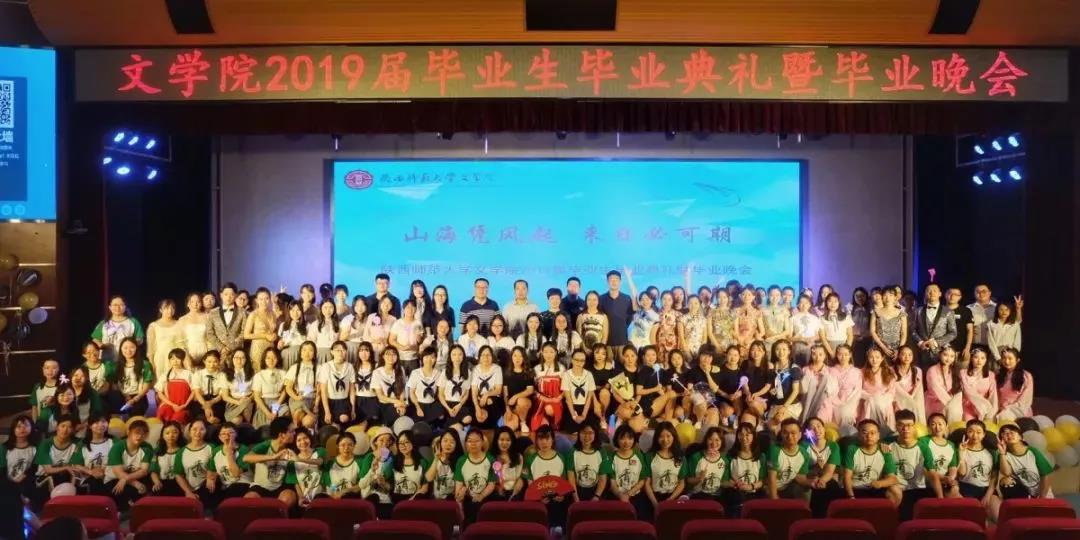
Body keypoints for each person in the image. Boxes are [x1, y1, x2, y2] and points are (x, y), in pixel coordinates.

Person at [888, 409, 936, 519]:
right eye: (901, 425)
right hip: (898, 489)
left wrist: (940, 497)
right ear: (896, 426)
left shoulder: (923, 447)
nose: (905, 429)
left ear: (914, 426)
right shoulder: (887, 444)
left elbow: (932, 473)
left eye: (909, 425)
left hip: (918, 488)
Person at [243, 417, 298, 508]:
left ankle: (278, 516)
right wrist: (273, 457)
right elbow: (246, 458)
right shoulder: (266, 445)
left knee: (289, 497)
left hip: (280, 486)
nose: (294, 433)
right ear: (282, 435)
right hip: (260, 486)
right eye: (291, 431)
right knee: (249, 499)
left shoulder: (292, 448)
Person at [842, 419, 898, 503]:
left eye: (873, 433)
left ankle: (890, 511)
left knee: (895, 490)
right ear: (858, 435)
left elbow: (893, 479)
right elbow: (847, 477)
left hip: (875, 488)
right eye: (865, 433)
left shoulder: (884, 450)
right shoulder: (852, 449)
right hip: (856, 488)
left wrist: (880, 483)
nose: (869, 436)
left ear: (878, 435)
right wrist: (851, 497)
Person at [103, 419, 154, 511]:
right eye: (136, 433)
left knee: (147, 485)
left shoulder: (147, 447)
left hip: (133, 477)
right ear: (128, 432)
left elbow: (144, 470)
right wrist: (135, 483)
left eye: (143, 434)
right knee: (119, 491)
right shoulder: (117, 447)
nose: (139, 436)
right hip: (114, 479)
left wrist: (126, 479)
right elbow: (118, 473)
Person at [997, 423, 1053, 501]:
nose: (1009, 435)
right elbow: (1007, 473)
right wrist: (1002, 453)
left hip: (1042, 493)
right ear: (1002, 439)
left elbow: (1046, 474)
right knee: (1005, 481)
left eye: (1012, 432)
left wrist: (1042, 497)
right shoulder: (1005, 455)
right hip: (1023, 494)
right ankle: (1020, 504)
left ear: (1021, 437)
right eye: (1005, 434)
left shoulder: (1032, 451)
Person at [957, 420, 1000, 515]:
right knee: (973, 516)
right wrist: (961, 456)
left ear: (984, 434)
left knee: (998, 515)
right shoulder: (960, 449)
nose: (974, 435)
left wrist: (988, 495)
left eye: (979, 432)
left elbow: (994, 476)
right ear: (966, 433)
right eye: (971, 431)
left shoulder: (991, 452)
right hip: (967, 488)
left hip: (987, 489)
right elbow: (962, 473)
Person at [644, 422, 687, 519]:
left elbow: (681, 483)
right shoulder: (650, 456)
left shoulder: (680, 457)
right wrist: (655, 504)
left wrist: (670, 500)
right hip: (654, 497)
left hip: (674, 497)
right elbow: (647, 483)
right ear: (656, 438)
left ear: (674, 436)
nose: (665, 440)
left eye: (668, 436)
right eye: (661, 436)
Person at [454, 429, 496, 525]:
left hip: (486, 497)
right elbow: (458, 488)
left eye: (477, 441)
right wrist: (461, 493)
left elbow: (491, 484)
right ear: (465, 443)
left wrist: (481, 496)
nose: (473, 444)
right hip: (468, 498)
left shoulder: (491, 459)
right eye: (470, 441)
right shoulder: (461, 461)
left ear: (482, 442)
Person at [802, 417, 842, 517]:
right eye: (812, 428)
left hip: (825, 478)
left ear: (824, 428)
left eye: (819, 426)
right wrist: (815, 469)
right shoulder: (803, 446)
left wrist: (822, 480)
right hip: (808, 478)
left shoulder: (833, 446)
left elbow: (829, 471)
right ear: (807, 432)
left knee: (831, 486)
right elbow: (802, 471)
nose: (816, 430)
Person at [912, 284, 957, 370]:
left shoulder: (948, 311)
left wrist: (936, 342)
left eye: (934, 290)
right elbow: (913, 330)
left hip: (941, 352)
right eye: (929, 291)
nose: (932, 292)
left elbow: (953, 333)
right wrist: (920, 342)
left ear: (940, 294)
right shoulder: (918, 311)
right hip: (922, 352)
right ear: (925, 294)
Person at [91, 295, 145, 363]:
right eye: (115, 305)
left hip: (126, 360)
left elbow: (140, 339)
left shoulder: (133, 322)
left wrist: (129, 347)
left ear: (125, 307)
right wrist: (103, 346)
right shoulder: (104, 323)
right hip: (107, 361)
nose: (118, 307)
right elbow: (95, 340)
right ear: (110, 307)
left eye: (121, 305)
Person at [767, 418, 812, 500]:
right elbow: (771, 478)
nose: (789, 436)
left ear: (800, 435)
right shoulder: (774, 450)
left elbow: (800, 477)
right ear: (781, 434)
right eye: (785, 433)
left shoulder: (804, 454)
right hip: (771, 488)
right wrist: (774, 499)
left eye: (793, 433)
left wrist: (812, 482)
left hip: (788, 488)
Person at [174, 419, 214, 505]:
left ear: (206, 431)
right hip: (187, 488)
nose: (198, 432)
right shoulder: (181, 451)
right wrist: (188, 492)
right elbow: (178, 474)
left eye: (201, 429)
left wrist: (211, 478)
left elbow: (215, 468)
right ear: (189, 431)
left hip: (207, 488)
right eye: (194, 429)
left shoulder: (211, 448)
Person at [687, 426, 731, 503]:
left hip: (717, 496)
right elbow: (688, 480)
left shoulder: (725, 460)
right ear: (706, 440)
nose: (713, 443)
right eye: (710, 439)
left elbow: (724, 482)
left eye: (717, 440)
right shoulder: (696, 457)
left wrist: (733, 484)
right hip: (698, 495)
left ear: (722, 442)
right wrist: (699, 479)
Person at [111, 338, 153, 417]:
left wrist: (134, 399)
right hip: (123, 395)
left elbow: (146, 387)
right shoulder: (116, 365)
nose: (128, 350)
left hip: (139, 397)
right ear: (121, 349)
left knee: (135, 414)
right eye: (125, 348)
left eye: (132, 347)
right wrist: (125, 395)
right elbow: (115, 385)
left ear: (136, 348)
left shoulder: (145, 364)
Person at [318, 341, 356, 428]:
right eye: (337, 350)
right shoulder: (326, 366)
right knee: (331, 426)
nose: (340, 352)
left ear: (346, 352)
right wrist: (327, 411)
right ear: (332, 352)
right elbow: (323, 392)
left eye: (343, 350)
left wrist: (353, 408)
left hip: (344, 401)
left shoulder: (349, 366)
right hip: (329, 402)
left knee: (344, 419)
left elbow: (352, 390)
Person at [568, 421, 608, 502]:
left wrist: (596, 496)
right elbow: (571, 477)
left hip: (596, 491)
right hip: (577, 491)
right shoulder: (572, 451)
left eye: (590, 433)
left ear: (595, 434)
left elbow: (603, 478)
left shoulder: (601, 452)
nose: (586, 436)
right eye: (583, 433)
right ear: (579, 434)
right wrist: (576, 498)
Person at [206, 283, 247, 359]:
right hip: (217, 352)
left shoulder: (242, 312)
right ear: (221, 295)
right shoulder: (213, 312)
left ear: (235, 295)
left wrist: (230, 347)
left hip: (236, 353)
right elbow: (209, 333)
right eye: (226, 294)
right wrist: (221, 348)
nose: (228, 297)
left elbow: (244, 332)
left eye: (231, 294)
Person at [599, 270, 634, 360]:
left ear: (620, 282)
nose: (614, 282)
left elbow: (629, 319)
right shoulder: (601, 299)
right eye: (611, 279)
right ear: (607, 282)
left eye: (616, 279)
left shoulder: (627, 298)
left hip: (622, 341)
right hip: (606, 342)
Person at [859, 347, 897, 431]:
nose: (874, 360)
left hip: (884, 403)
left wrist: (879, 399)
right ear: (868, 358)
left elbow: (891, 392)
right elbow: (858, 390)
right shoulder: (861, 372)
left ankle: (885, 430)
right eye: (871, 357)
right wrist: (871, 397)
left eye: (877, 357)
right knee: (871, 403)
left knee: (878, 404)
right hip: (867, 401)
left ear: (882, 358)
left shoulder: (889, 372)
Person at [406, 347, 445, 426]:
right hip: (418, 404)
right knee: (419, 423)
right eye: (426, 357)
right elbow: (412, 393)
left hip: (432, 404)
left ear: (435, 359)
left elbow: (440, 392)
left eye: (432, 357)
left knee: (442, 417)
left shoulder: (438, 373)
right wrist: (418, 407)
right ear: (422, 358)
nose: (429, 360)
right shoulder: (415, 373)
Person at [147, 299, 184, 379]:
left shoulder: (179, 324)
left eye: (172, 308)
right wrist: (151, 362)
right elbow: (150, 348)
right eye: (166, 308)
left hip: (175, 358)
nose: (170, 311)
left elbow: (182, 344)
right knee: (159, 382)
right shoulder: (153, 326)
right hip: (159, 358)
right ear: (161, 310)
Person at [562, 350, 597, 433]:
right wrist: (574, 416)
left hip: (585, 408)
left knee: (588, 430)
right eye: (576, 360)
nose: (579, 363)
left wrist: (584, 415)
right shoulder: (566, 375)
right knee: (572, 431)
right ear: (572, 360)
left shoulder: (589, 374)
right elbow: (568, 398)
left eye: (582, 360)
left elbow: (589, 398)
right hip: (572, 408)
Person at [283, 342, 318, 426]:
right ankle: (296, 430)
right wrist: (297, 397)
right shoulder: (294, 367)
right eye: (304, 350)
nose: (307, 353)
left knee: (307, 422)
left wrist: (316, 404)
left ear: (314, 353)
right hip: (297, 397)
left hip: (312, 398)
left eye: (310, 350)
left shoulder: (319, 368)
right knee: (297, 416)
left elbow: (319, 388)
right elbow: (288, 388)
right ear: (300, 353)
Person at [388, 431, 429, 502]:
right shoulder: (393, 461)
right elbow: (389, 485)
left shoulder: (423, 462)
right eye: (400, 443)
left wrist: (410, 500)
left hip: (414, 500)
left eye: (406, 442)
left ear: (413, 443)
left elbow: (425, 488)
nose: (402, 445)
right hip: (396, 500)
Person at [243, 288, 277, 371]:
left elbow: (274, 330)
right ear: (256, 300)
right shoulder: (253, 315)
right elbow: (246, 335)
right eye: (261, 299)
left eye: (266, 298)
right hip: (258, 348)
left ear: (270, 299)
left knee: (270, 372)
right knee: (258, 374)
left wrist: (275, 335)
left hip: (270, 348)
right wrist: (265, 335)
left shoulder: (272, 313)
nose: (264, 302)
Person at [926, 347, 963, 423]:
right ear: (940, 355)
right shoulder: (932, 370)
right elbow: (935, 388)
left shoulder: (954, 371)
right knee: (951, 409)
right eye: (945, 355)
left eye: (952, 356)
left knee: (956, 406)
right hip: (935, 400)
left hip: (950, 400)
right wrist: (950, 404)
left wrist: (953, 402)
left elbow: (958, 389)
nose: (948, 358)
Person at [252, 349, 288, 428]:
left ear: (278, 359)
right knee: (265, 427)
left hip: (278, 402)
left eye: (274, 358)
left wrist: (275, 409)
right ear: (264, 359)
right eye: (268, 358)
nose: (271, 361)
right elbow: (256, 397)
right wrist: (268, 413)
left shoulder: (283, 373)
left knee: (285, 413)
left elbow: (284, 392)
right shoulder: (259, 375)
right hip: (264, 404)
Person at [156, 348, 193, 423]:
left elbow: (194, 391)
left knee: (177, 418)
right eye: (172, 359)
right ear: (169, 360)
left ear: (182, 360)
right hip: (169, 404)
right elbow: (159, 393)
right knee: (162, 412)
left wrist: (185, 405)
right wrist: (172, 404)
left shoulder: (188, 374)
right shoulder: (165, 374)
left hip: (183, 406)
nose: (175, 361)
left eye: (178, 359)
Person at [996, 347, 1033, 422]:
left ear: (1017, 360)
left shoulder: (1026, 376)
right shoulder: (998, 375)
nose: (1007, 361)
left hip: (1019, 411)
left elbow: (1025, 400)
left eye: (1010, 358)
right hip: (1001, 411)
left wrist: (1007, 410)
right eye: (1004, 358)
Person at [373, 346, 408, 428]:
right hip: (384, 404)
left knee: (403, 417)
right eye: (388, 354)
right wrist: (397, 402)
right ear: (383, 356)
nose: (391, 356)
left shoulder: (400, 369)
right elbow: (380, 396)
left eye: (394, 354)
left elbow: (402, 389)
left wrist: (401, 404)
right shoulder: (377, 372)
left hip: (398, 402)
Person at [503, 347, 535, 434]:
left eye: (520, 356)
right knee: (510, 429)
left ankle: (523, 422)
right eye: (515, 356)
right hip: (512, 406)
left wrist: (515, 397)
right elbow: (505, 393)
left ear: (524, 358)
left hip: (525, 403)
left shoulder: (528, 372)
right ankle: (517, 418)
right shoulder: (507, 373)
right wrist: (507, 408)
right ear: (511, 357)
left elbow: (530, 390)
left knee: (521, 401)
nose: (517, 358)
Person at [471, 346, 504, 428]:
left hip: (494, 397)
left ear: (492, 357)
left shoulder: (497, 369)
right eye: (483, 355)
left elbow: (498, 390)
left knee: (490, 401)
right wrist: (477, 407)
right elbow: (474, 391)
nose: (486, 358)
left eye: (488, 355)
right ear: (479, 357)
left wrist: (486, 395)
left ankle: (497, 423)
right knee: (479, 417)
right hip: (479, 398)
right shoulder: (475, 369)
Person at [440, 345, 473, 428]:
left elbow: (466, 393)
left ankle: (454, 425)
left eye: (460, 354)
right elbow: (440, 394)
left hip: (460, 404)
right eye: (454, 354)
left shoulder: (468, 372)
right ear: (450, 357)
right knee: (456, 426)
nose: (457, 357)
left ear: (463, 356)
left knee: (468, 419)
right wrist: (448, 409)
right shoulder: (444, 372)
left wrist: (459, 405)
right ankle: (453, 426)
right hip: (447, 404)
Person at [830, 344, 862, 429]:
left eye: (846, 354)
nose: (843, 357)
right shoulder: (832, 370)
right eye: (840, 354)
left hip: (853, 401)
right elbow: (831, 391)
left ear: (850, 355)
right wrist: (839, 403)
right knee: (838, 411)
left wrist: (849, 403)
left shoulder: (857, 371)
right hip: (836, 400)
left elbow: (857, 390)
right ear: (837, 355)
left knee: (847, 412)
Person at [870, 287, 907, 361]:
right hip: (879, 348)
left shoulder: (901, 313)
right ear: (882, 297)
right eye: (885, 295)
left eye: (891, 295)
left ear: (895, 297)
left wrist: (899, 350)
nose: (888, 298)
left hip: (896, 349)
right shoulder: (876, 312)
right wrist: (883, 347)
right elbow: (872, 331)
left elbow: (903, 333)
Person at [962, 347, 998, 421]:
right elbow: (967, 391)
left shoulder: (991, 374)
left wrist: (992, 412)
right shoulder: (963, 373)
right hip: (968, 406)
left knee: (988, 421)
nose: (979, 361)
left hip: (984, 407)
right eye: (976, 357)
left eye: (982, 358)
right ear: (971, 358)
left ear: (986, 360)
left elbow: (993, 395)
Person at [389, 299, 426, 371]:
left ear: (415, 309)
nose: (410, 309)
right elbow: (391, 340)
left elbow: (420, 341)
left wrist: (419, 338)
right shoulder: (398, 323)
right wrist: (402, 347)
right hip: (400, 357)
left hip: (414, 358)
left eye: (413, 307)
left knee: (414, 377)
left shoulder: (418, 323)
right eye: (408, 307)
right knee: (400, 377)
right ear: (403, 309)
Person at [426, 430, 462, 501]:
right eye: (445, 441)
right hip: (435, 500)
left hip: (451, 500)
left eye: (452, 442)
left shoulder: (459, 461)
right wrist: (436, 459)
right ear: (440, 443)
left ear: (456, 445)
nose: (448, 444)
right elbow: (429, 478)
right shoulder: (434, 460)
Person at [150, 421, 185, 497]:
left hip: (180, 483)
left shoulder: (184, 450)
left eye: (175, 432)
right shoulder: (157, 451)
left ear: (179, 434)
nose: (171, 435)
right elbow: (153, 471)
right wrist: (157, 482)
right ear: (162, 435)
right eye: (167, 433)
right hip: (162, 482)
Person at [893, 346, 926, 425]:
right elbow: (896, 388)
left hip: (912, 396)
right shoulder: (891, 370)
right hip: (897, 397)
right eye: (903, 354)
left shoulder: (917, 370)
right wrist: (908, 398)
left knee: (917, 399)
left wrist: (911, 397)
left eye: (910, 354)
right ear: (898, 355)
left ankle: (920, 426)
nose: (907, 357)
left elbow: (917, 387)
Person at [490, 427, 525, 501]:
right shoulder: (492, 457)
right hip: (496, 492)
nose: (504, 443)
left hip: (514, 491)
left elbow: (519, 477)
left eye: (508, 440)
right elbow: (490, 480)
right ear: (496, 441)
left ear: (512, 441)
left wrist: (515, 492)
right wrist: (498, 488)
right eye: (501, 440)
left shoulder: (518, 457)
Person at [987, 299, 1023, 368]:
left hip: (1011, 353)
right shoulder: (991, 324)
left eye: (1007, 310)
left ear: (1010, 311)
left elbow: (1017, 341)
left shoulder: (1015, 324)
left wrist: (1015, 355)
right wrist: (998, 358)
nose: (1004, 312)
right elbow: (991, 342)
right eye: (1001, 309)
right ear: (997, 310)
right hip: (996, 353)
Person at [222, 349, 255, 424]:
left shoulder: (252, 372)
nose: (239, 360)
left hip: (248, 400)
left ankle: (249, 426)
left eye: (242, 358)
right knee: (236, 420)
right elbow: (225, 396)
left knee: (246, 408)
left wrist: (249, 399)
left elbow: (255, 392)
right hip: (233, 402)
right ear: (232, 359)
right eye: (236, 357)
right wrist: (238, 402)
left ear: (246, 360)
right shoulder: (225, 374)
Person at [945, 288, 974, 365]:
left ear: (960, 297)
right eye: (949, 293)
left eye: (955, 294)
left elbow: (970, 330)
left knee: (962, 372)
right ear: (945, 295)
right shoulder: (940, 309)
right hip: (943, 350)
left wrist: (967, 348)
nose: (952, 296)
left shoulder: (966, 311)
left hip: (961, 351)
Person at [790, 295, 822, 366]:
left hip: (812, 346)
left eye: (806, 303)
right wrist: (802, 339)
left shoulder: (815, 318)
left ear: (810, 304)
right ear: (798, 304)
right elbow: (789, 337)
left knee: (811, 368)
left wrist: (812, 339)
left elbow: (818, 336)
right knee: (798, 368)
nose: (804, 305)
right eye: (801, 302)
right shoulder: (793, 318)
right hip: (798, 347)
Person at [277, 301, 308, 370]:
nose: (295, 313)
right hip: (286, 354)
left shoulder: (306, 325)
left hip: (301, 354)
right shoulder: (283, 325)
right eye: (292, 310)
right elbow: (280, 343)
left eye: (298, 310)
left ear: (301, 311)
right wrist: (280, 345)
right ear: (289, 311)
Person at [761, 286, 793, 352]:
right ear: (768, 295)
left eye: (777, 295)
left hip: (781, 342)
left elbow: (787, 330)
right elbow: (762, 329)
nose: (774, 298)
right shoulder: (762, 310)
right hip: (767, 342)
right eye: (772, 295)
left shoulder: (784, 310)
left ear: (780, 296)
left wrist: (775, 337)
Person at [967, 284, 997, 350]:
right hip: (974, 344)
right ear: (974, 294)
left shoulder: (997, 307)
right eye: (978, 292)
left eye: (984, 291)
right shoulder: (968, 308)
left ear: (989, 293)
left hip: (994, 345)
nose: (981, 294)